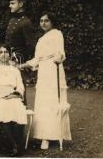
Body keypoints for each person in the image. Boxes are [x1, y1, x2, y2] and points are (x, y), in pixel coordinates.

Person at [20, 11, 71, 149]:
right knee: (43, 101)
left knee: (52, 101)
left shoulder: (57, 34)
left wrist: (58, 58)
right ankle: (44, 135)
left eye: (46, 20)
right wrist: (22, 65)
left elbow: (60, 52)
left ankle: (51, 136)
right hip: (43, 71)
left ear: (52, 22)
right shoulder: (41, 39)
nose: (43, 23)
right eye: (41, 21)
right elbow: (37, 59)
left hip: (54, 69)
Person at [0, 45, 27, 156]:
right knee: (2, 109)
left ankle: (17, 143)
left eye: (6, 52)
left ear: (9, 54)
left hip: (12, 95)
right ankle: (14, 145)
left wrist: (15, 94)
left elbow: (20, 86)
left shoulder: (14, 70)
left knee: (18, 109)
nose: (3, 54)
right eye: (1, 52)